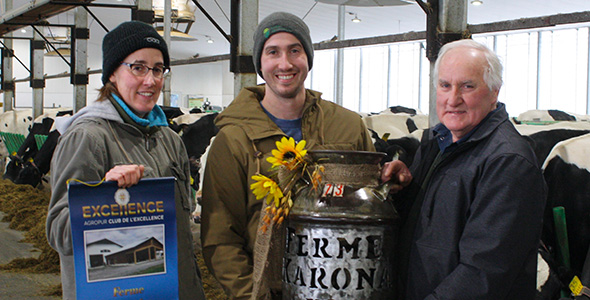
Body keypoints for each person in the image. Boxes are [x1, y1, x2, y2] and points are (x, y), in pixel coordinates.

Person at [200, 12, 410, 300]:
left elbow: (370, 207)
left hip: (347, 288)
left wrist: (394, 183)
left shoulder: (348, 126)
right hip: (268, 291)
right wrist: (253, 295)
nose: (284, 63)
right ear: (260, 63)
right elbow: (220, 238)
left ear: (308, 58)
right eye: (273, 52)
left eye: (295, 51)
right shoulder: (233, 139)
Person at [46, 21, 206, 300]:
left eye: (158, 69)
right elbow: (58, 233)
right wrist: (102, 197)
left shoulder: (169, 139)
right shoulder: (87, 138)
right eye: (138, 67)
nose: (151, 80)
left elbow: (181, 227)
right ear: (111, 74)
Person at [394, 39, 547, 299]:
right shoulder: (436, 143)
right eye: (445, 86)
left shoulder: (508, 162)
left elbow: (483, 273)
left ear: (494, 91)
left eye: (467, 86)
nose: (453, 99)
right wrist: (403, 188)